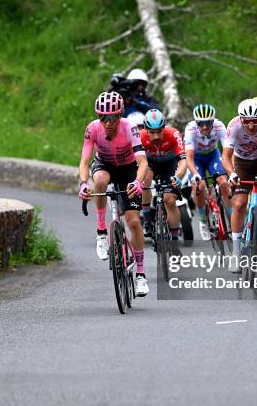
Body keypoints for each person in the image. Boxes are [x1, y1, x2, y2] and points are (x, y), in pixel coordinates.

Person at [78, 91, 150, 296]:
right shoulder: (92, 128)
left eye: (112, 118)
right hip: (105, 164)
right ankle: (102, 232)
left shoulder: (130, 128)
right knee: (99, 182)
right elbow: (84, 161)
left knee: (134, 222)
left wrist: (138, 181)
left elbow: (143, 162)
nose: (107, 123)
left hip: (128, 169)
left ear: (120, 116)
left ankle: (141, 274)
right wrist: (83, 184)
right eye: (103, 117)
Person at [221, 99, 257, 272]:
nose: (251, 126)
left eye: (255, 120)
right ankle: (236, 253)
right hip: (242, 162)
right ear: (240, 118)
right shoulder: (234, 126)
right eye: (247, 121)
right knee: (239, 203)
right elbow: (226, 157)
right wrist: (232, 174)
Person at [139, 109, 187, 255]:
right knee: (145, 180)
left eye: (159, 131)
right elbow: (137, 162)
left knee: (169, 200)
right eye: (152, 132)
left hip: (169, 165)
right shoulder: (139, 136)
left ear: (164, 128)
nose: (156, 136)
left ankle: (173, 241)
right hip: (150, 164)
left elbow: (183, 161)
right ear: (145, 129)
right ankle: (147, 216)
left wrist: (177, 177)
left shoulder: (173, 134)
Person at [183, 103, 230, 241]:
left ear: (213, 121)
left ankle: (232, 215)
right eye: (201, 124)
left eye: (208, 123)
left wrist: (230, 171)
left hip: (213, 155)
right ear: (196, 123)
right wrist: (195, 174)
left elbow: (227, 151)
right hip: (196, 158)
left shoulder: (219, 126)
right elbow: (189, 158)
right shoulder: (190, 129)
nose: (204, 127)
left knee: (223, 182)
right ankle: (203, 219)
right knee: (200, 185)